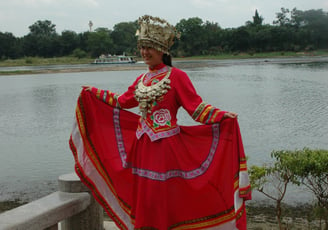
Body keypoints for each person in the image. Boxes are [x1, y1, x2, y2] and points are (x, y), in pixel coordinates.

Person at [69, 15, 251, 230]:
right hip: (142, 148)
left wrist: (221, 116)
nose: (145, 52)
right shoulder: (142, 79)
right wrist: (96, 93)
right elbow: (123, 102)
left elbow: (196, 108)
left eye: (150, 47)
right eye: (142, 47)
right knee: (145, 197)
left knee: (163, 196)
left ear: (162, 50)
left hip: (166, 150)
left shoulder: (177, 77)